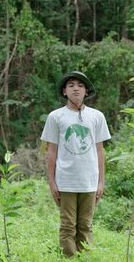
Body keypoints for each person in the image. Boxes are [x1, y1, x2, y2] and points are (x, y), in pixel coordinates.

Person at [41, 71, 110, 257]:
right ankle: (69, 258)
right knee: (67, 225)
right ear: (64, 91)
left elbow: (100, 151)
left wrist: (101, 182)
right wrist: (52, 181)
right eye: (71, 85)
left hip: (89, 181)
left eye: (80, 85)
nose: (76, 88)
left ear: (86, 91)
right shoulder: (56, 117)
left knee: (86, 225)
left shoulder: (97, 116)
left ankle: (84, 257)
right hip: (66, 181)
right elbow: (51, 152)